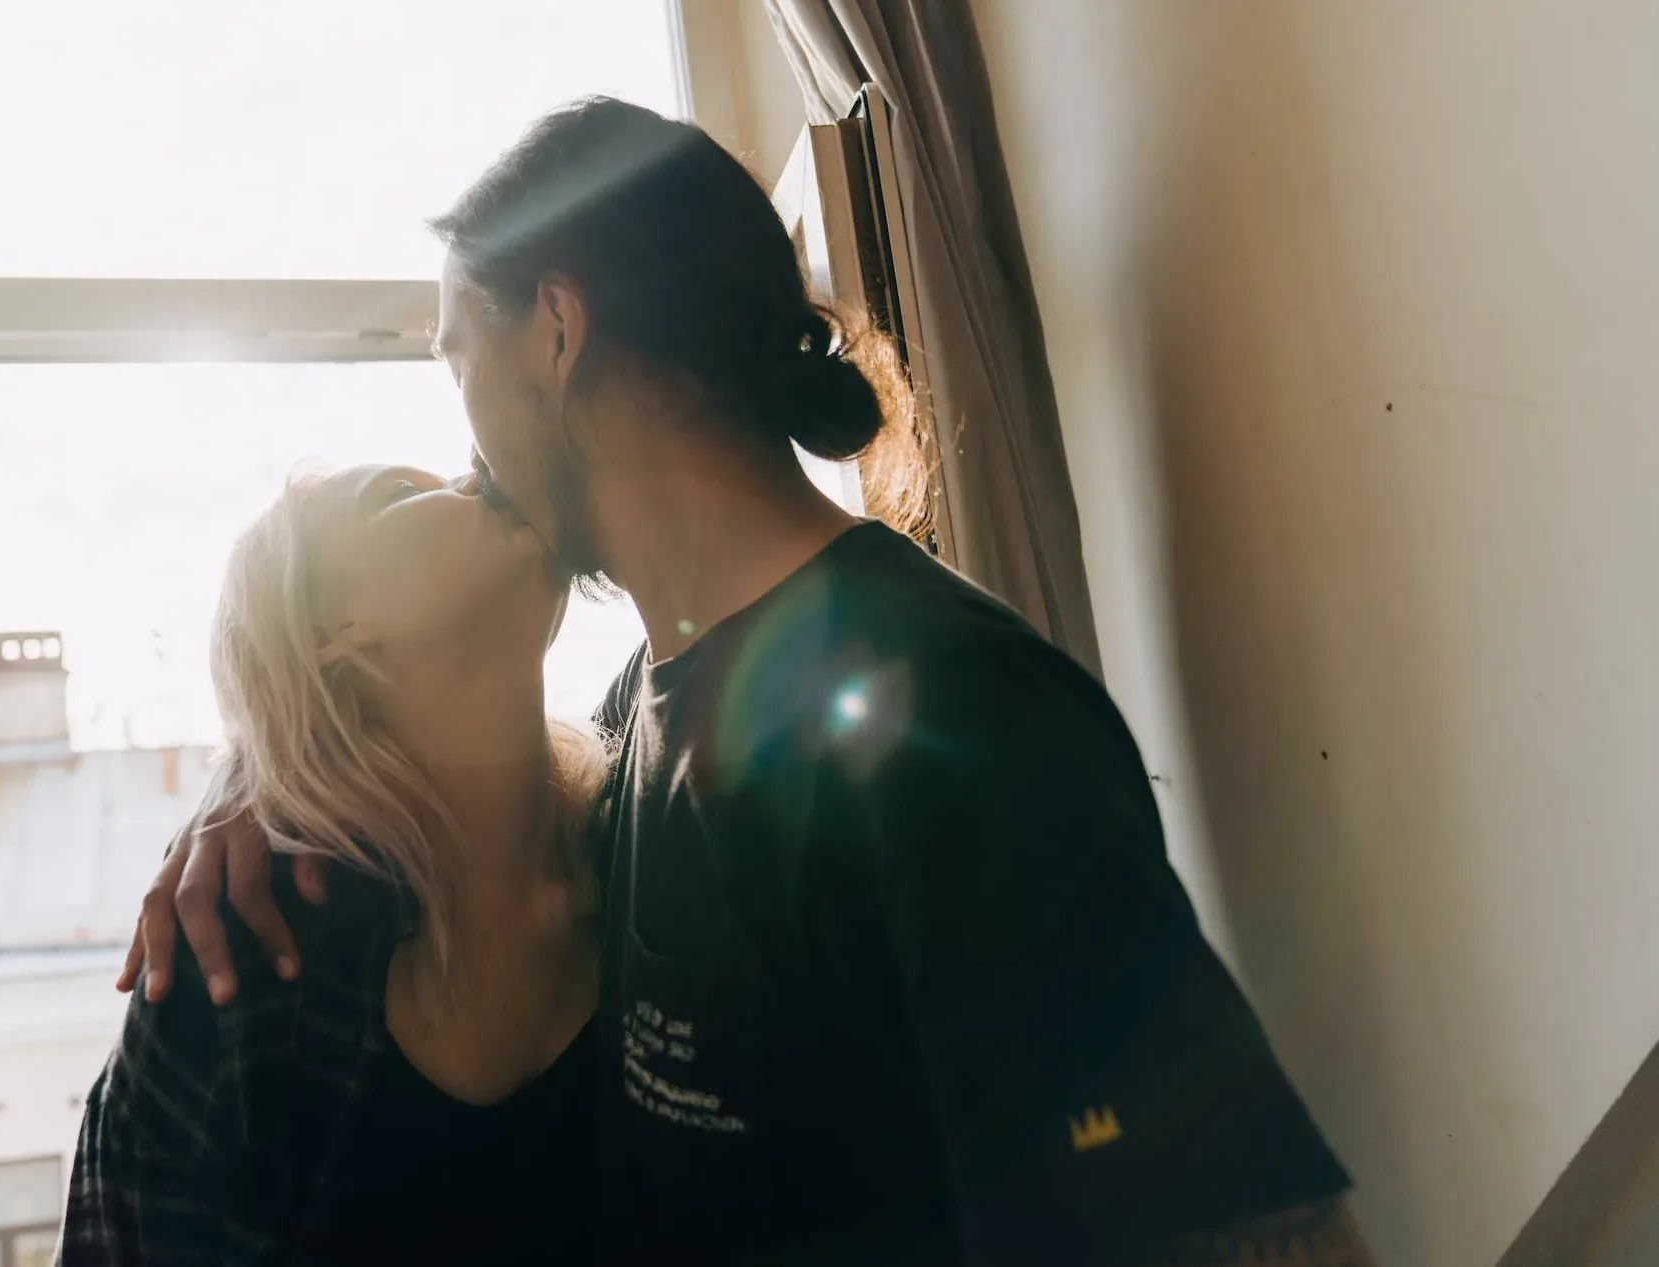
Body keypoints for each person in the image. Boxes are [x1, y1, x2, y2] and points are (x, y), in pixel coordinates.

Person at [127, 98, 1376, 1266]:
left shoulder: (953, 715)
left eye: (460, 359)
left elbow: (1246, 1227)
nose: (466, 447)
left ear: (557, 331)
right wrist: (265, 780)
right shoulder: (640, 725)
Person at [60, 462, 613, 1264]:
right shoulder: (236, 957)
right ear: (334, 631)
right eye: (399, 491)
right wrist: (257, 764)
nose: (476, 472)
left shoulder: (656, 851)